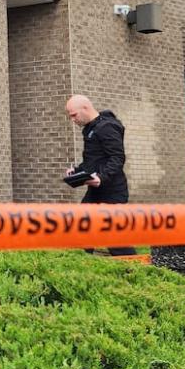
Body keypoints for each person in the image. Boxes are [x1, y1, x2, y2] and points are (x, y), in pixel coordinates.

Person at [64, 94, 134, 255]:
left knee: (114, 237)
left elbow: (117, 158)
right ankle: (82, 262)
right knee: (82, 225)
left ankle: (135, 269)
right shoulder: (91, 129)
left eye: (74, 115)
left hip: (112, 191)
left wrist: (102, 177)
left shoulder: (107, 127)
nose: (73, 120)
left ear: (85, 108)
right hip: (96, 190)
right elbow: (93, 161)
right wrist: (76, 171)